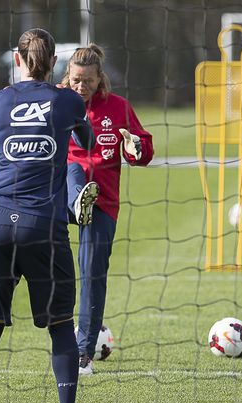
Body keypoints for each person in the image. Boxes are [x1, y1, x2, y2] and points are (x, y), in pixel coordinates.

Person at [0, 28, 96, 403]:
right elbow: (85, 141)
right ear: (54, 63)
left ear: (16, 60)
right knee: (59, 326)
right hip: (44, 228)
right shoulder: (69, 101)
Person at [61, 44, 154, 375]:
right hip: (57, 195)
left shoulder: (118, 108)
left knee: (92, 273)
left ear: (101, 79)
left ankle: (83, 353)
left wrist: (135, 147)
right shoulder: (56, 100)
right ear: (67, 77)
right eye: (75, 80)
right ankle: (75, 200)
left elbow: (143, 151)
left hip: (103, 201)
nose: (81, 87)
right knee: (72, 168)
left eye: (87, 81)